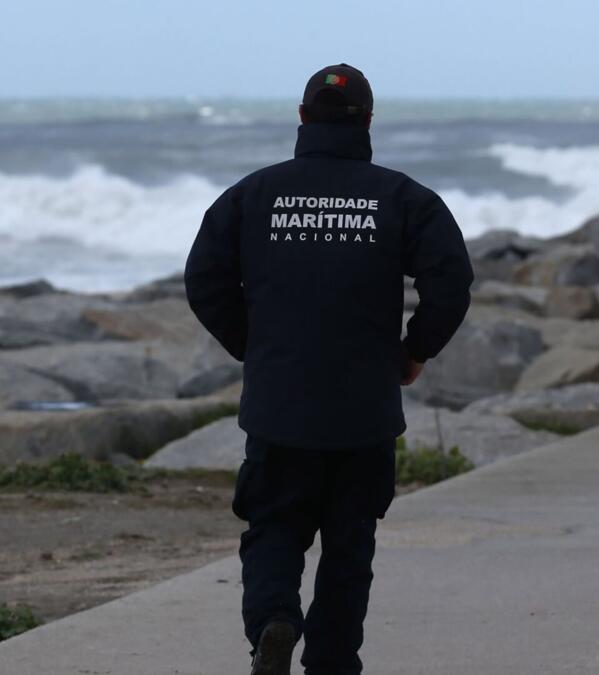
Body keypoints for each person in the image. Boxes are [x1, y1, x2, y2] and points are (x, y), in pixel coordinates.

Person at [184, 64, 473, 675]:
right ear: (368, 120)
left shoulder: (252, 195)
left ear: (301, 116)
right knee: (349, 548)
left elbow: (204, 278)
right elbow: (450, 280)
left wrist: (255, 346)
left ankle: (274, 621)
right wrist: (413, 350)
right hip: (363, 412)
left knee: (273, 526)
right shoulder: (403, 198)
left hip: (280, 406)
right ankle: (334, 663)